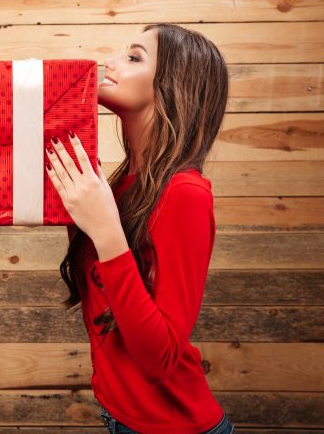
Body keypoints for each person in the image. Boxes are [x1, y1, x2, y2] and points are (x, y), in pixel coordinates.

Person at [45, 24, 235, 433]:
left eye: (133, 57)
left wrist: (106, 229)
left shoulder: (186, 194)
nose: (109, 62)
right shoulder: (122, 185)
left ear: (171, 86)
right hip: (121, 418)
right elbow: (101, 296)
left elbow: (159, 360)